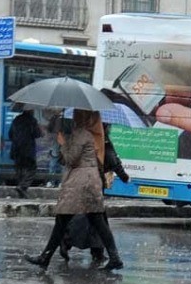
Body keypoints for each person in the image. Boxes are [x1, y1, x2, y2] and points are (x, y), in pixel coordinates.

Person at [23, 112, 123, 271]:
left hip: (80, 183)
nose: (74, 117)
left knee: (64, 221)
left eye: (77, 115)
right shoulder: (92, 134)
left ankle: (45, 257)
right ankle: (114, 257)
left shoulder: (81, 134)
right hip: (89, 182)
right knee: (94, 221)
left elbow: (71, 159)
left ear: (83, 118)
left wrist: (63, 143)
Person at [59, 123, 130, 264]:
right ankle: (69, 243)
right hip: (92, 185)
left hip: (82, 184)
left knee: (90, 219)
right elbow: (112, 160)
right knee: (94, 220)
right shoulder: (102, 142)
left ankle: (96, 251)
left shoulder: (82, 138)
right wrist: (123, 176)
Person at [8, 107, 42, 198]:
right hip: (28, 150)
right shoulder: (32, 120)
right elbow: (37, 134)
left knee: (19, 169)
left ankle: (21, 192)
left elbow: (10, 134)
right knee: (31, 169)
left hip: (16, 150)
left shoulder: (16, 120)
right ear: (31, 110)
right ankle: (22, 187)